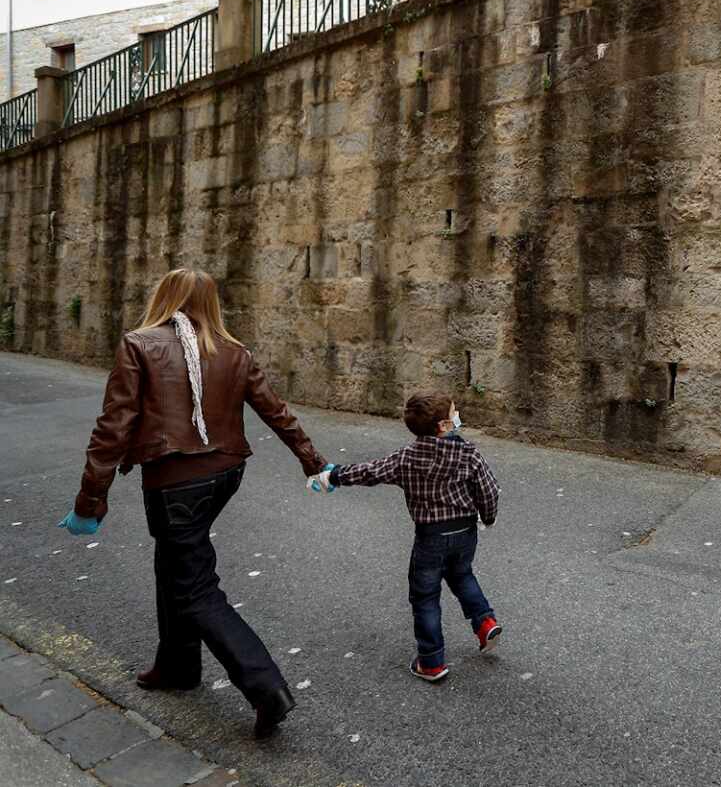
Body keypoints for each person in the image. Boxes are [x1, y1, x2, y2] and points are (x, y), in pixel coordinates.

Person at [57, 269, 328, 739]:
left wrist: (90, 500)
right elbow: (277, 412)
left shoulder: (139, 344)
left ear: (164, 296)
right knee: (176, 564)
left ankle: (267, 689)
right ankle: (177, 666)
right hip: (224, 475)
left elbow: (112, 429)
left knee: (195, 588)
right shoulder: (235, 351)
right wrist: (312, 461)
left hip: (175, 483)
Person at [308, 393, 501, 682]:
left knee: (425, 597)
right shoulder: (469, 453)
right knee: (462, 575)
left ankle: (432, 662)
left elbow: (370, 471)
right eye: (453, 412)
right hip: (464, 532)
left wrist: (333, 477)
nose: (458, 414)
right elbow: (488, 489)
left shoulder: (406, 458)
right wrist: (487, 517)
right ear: (444, 425)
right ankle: (484, 622)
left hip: (430, 538)